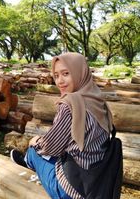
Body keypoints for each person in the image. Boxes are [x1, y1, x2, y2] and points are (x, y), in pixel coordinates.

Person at [10, 52, 122, 199]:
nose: (60, 81)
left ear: (79, 73)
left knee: (33, 150)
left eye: (66, 73)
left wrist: (35, 142)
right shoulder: (99, 101)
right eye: (56, 76)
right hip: (98, 184)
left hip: (71, 191)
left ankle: (28, 162)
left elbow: (50, 147)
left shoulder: (70, 104)